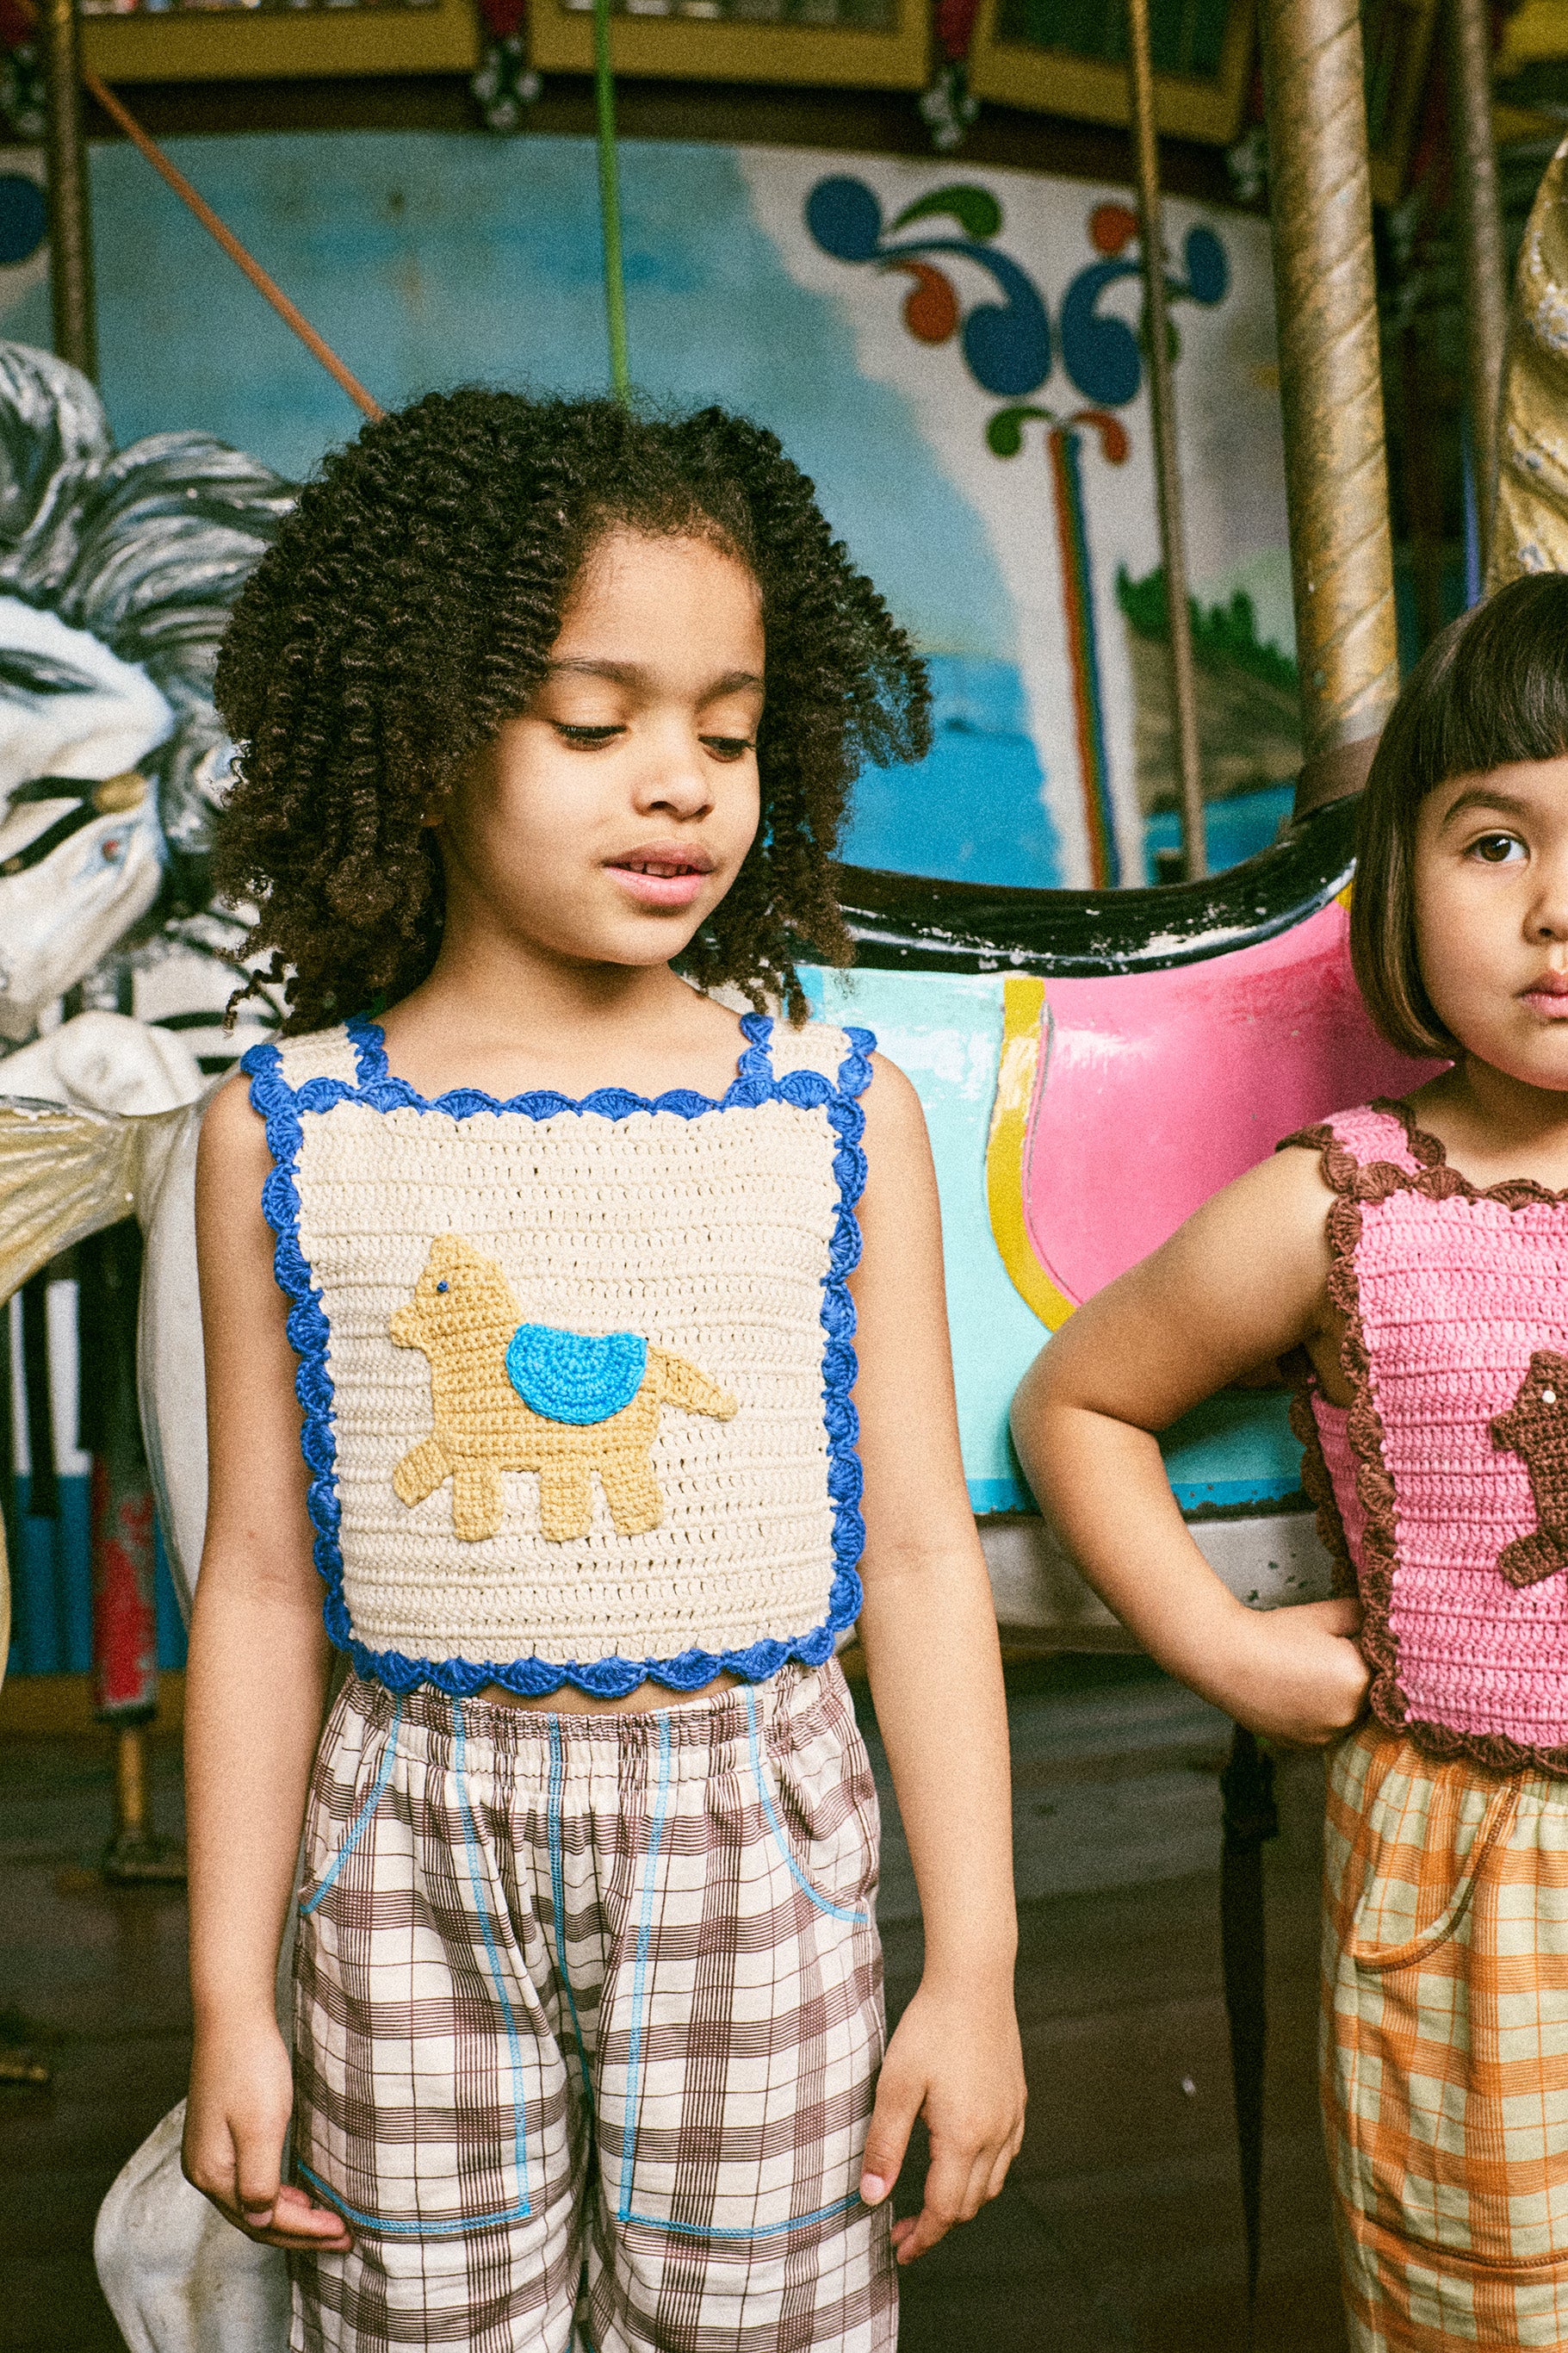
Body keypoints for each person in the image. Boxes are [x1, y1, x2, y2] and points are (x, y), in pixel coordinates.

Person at [180, 389, 1025, 2353]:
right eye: (591, 724)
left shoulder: (832, 1109)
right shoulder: (282, 1129)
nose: (680, 788)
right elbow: (262, 1582)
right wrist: (228, 1995)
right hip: (401, 1849)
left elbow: (917, 1556)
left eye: (726, 734)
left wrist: (974, 1966)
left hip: (757, 1845)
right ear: (422, 734)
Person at [1010, 571, 1568, 2350]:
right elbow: (1075, 1405)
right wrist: (1228, 1651)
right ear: (1396, 879)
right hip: (1476, 1887)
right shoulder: (1344, 1201)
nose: (1555, 909)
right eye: (1494, 841)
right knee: (1484, 2308)